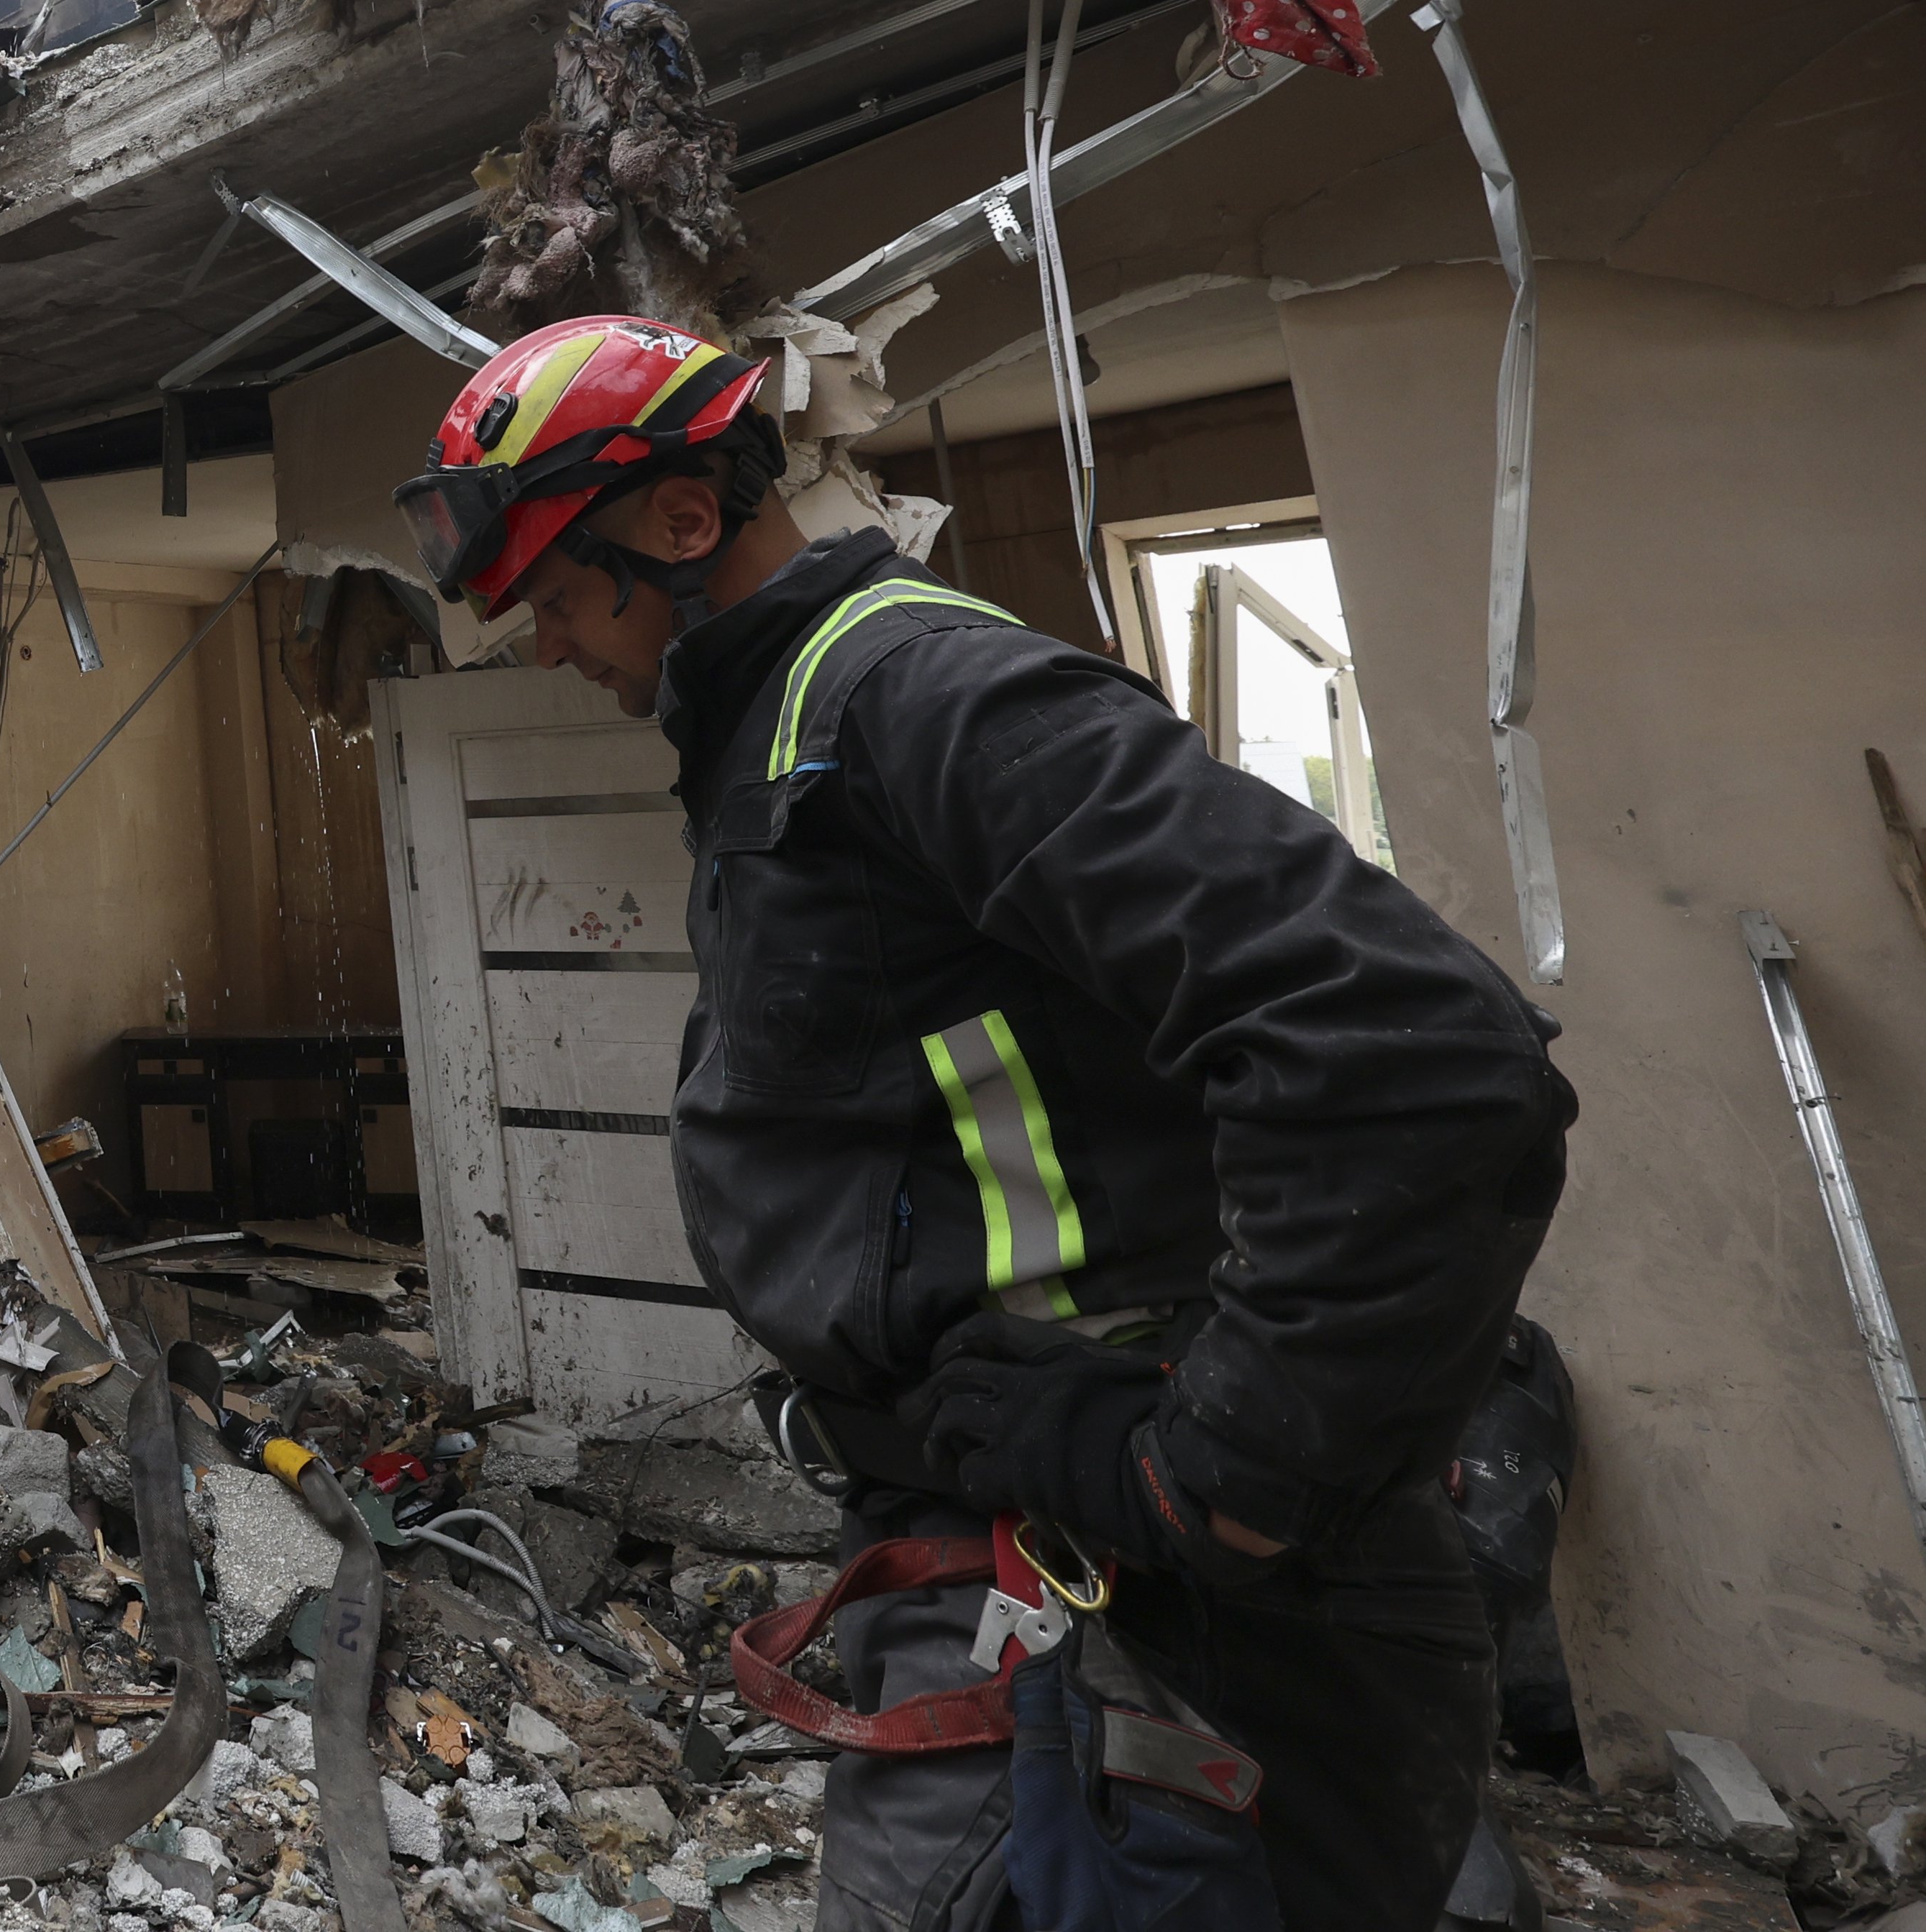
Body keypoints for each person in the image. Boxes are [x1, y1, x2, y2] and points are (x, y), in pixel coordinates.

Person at [397, 312, 1575, 1932]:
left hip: (1143, 1586)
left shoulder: (923, 694)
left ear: (680, 523)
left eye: (555, 592)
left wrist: (1218, 1468)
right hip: (1014, 1538)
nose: (545, 643)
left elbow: (1418, 1049)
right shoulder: (782, 728)